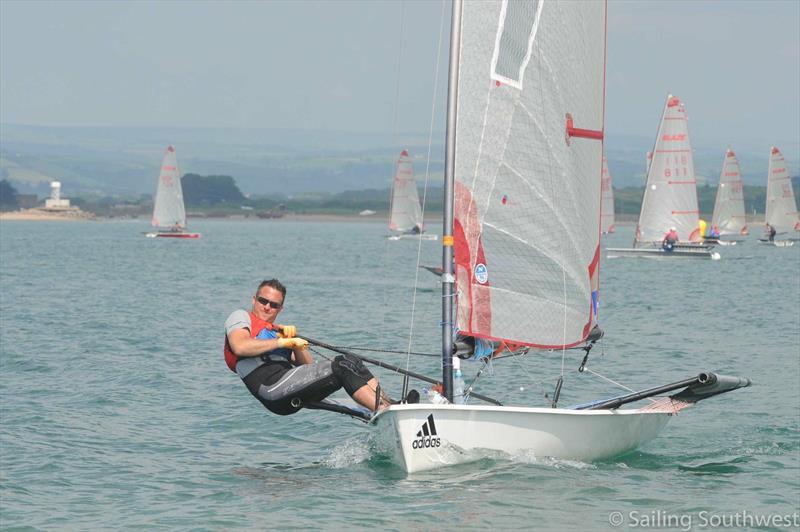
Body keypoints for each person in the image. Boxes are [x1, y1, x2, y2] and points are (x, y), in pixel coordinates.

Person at [224, 279, 391, 415]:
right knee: (341, 366)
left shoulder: (277, 333)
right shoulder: (241, 316)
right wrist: (284, 342)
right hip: (271, 388)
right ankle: (383, 411)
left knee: (350, 360)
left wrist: (295, 343)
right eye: (263, 301)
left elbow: (307, 367)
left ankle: (388, 405)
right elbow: (240, 346)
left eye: (274, 305)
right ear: (254, 299)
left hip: (288, 385)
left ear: (280, 309)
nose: (267, 307)